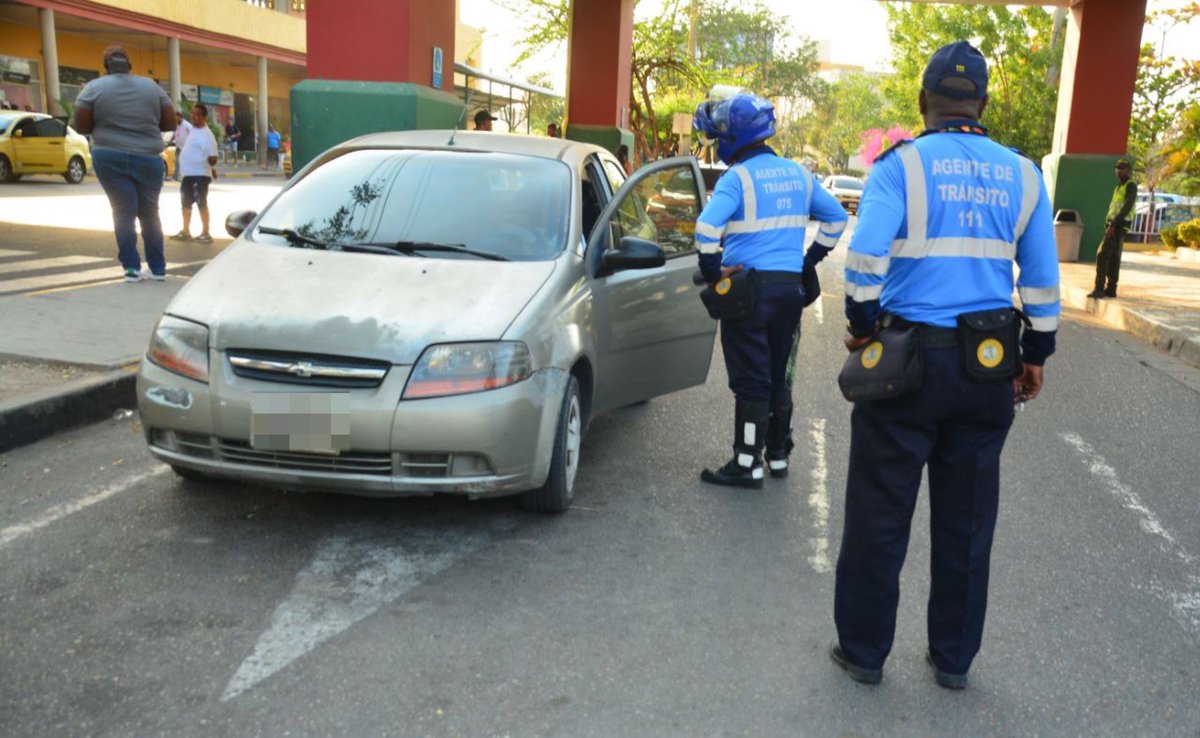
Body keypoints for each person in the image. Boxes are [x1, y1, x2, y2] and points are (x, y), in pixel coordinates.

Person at [831, 41, 1060, 690]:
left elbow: (864, 262)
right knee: (967, 521)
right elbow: (1041, 283)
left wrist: (863, 329)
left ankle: (865, 652)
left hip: (905, 363)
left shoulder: (898, 167)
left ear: (924, 102)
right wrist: (1036, 354)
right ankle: (953, 660)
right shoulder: (1023, 175)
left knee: (880, 511)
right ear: (982, 105)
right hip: (988, 365)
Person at [692, 92, 848, 488]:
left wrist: (713, 274)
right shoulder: (798, 173)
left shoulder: (737, 179)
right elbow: (835, 218)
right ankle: (778, 455)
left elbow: (706, 230)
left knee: (751, 379)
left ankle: (747, 463)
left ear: (735, 138)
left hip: (748, 291)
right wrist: (810, 260)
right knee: (779, 374)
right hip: (790, 290)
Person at [72, 45, 174, 283]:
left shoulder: (94, 88)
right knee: (150, 213)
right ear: (130, 64)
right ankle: (158, 269)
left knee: (123, 212)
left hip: (110, 156)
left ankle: (131, 268)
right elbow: (170, 123)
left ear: (106, 65)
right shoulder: (151, 86)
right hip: (148, 157)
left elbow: (81, 126)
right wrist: (143, 125)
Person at [1088, 159, 1138, 299]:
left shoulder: (1131, 186)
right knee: (1114, 257)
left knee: (1102, 254)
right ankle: (1111, 288)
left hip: (1119, 225)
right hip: (1113, 224)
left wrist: (1114, 224)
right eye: (1117, 168)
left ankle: (1099, 288)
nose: (1119, 170)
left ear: (1128, 170)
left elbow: (1127, 206)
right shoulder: (1118, 187)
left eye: (1122, 168)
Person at [170, 103, 219, 244]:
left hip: (199, 174)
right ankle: (186, 231)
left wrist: (211, 167)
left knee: (201, 203)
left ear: (204, 117)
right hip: (188, 174)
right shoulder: (193, 130)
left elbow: (213, 158)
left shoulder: (207, 135)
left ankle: (206, 232)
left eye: (197, 114)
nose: (193, 116)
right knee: (185, 203)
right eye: (192, 113)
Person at [169, 109, 192, 181]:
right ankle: (176, 176)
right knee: (177, 161)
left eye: (176, 117)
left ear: (180, 116)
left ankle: (184, 176)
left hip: (186, 147)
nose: (175, 119)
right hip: (178, 146)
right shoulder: (176, 125)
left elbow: (193, 134)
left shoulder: (187, 125)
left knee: (183, 162)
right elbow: (174, 134)